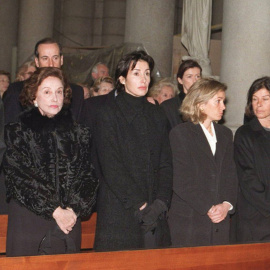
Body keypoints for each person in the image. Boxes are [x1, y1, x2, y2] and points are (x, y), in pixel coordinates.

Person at [2, 67, 98, 257]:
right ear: (34, 98)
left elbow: (88, 176)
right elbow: (20, 177)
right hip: (30, 223)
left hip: (69, 223)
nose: (54, 98)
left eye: (59, 92)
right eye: (47, 92)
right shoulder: (18, 132)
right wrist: (55, 211)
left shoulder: (79, 133)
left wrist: (72, 209)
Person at [94, 50, 172, 251]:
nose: (143, 79)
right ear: (122, 78)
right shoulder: (108, 113)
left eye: (147, 73)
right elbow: (111, 166)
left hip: (155, 209)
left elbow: (166, 162)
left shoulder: (157, 114)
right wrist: (140, 205)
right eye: (136, 73)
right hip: (120, 209)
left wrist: (161, 202)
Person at [168, 78, 238, 247]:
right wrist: (209, 207)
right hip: (190, 220)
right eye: (218, 101)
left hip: (220, 220)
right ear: (200, 104)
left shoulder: (225, 134)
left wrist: (226, 205)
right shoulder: (181, 134)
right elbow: (181, 181)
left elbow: (231, 175)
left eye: (223, 101)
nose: (223, 107)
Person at [3, 37, 84, 124]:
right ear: (37, 62)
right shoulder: (17, 90)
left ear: (61, 60)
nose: (51, 64)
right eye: (45, 58)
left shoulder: (76, 92)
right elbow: (9, 128)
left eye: (55, 58)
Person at [234, 76, 270, 243]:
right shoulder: (244, 134)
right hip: (256, 219)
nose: (259, 104)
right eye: (254, 99)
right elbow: (248, 179)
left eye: (265, 98)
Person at [160, 60, 202, 130]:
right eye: (189, 76)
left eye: (197, 76)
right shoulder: (168, 106)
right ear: (180, 80)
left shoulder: (205, 103)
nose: (195, 81)